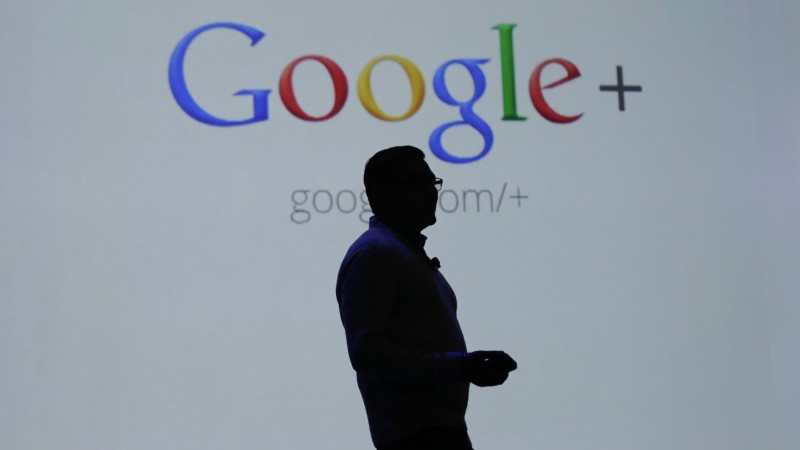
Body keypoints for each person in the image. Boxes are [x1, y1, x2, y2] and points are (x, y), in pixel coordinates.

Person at [336, 145, 517, 450]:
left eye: (432, 182)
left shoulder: (404, 253)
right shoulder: (375, 253)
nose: (431, 192)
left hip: (440, 433)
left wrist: (464, 367)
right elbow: (365, 351)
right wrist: (459, 367)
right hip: (416, 439)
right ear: (380, 193)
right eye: (416, 182)